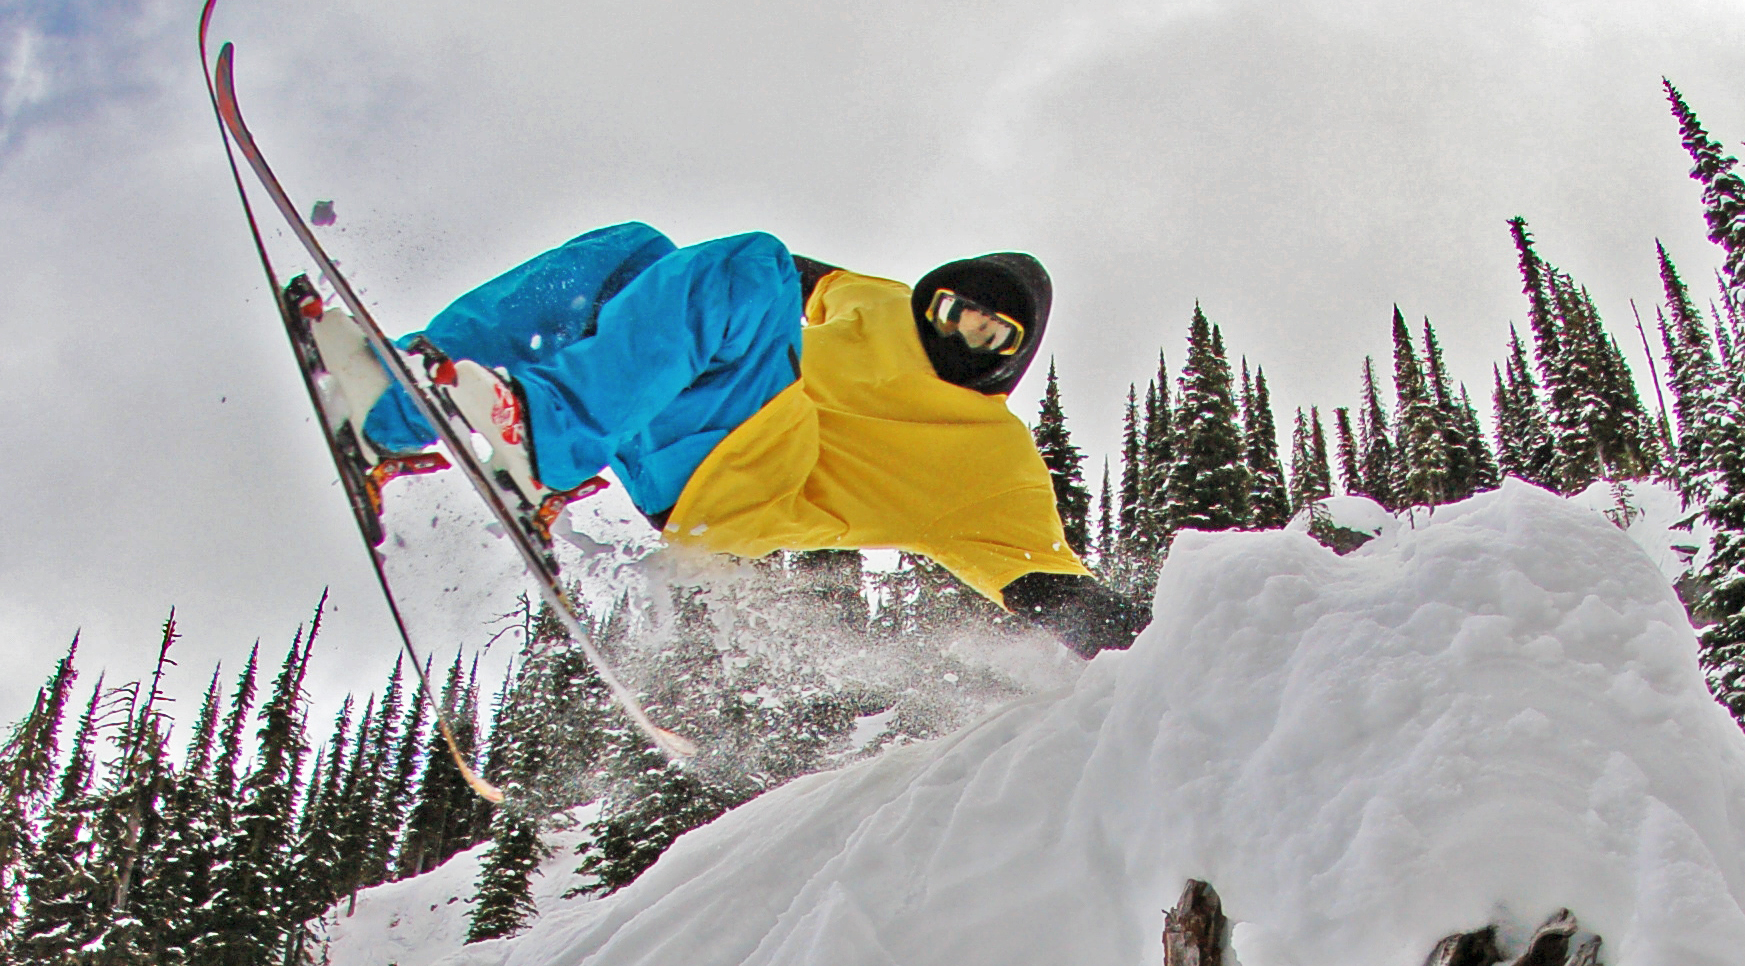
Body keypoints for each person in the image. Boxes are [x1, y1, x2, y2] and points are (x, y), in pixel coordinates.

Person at [308, 225, 1146, 657]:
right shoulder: (878, 301)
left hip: (748, 484)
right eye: (954, 308)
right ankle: (399, 411)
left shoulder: (994, 465)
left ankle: (549, 439)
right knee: (633, 252)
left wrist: (1165, 642)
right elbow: (793, 280)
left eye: (991, 336)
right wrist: (671, 290)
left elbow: (1051, 585)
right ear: (932, 295)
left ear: (1012, 361)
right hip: (662, 423)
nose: (961, 334)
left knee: (753, 265)